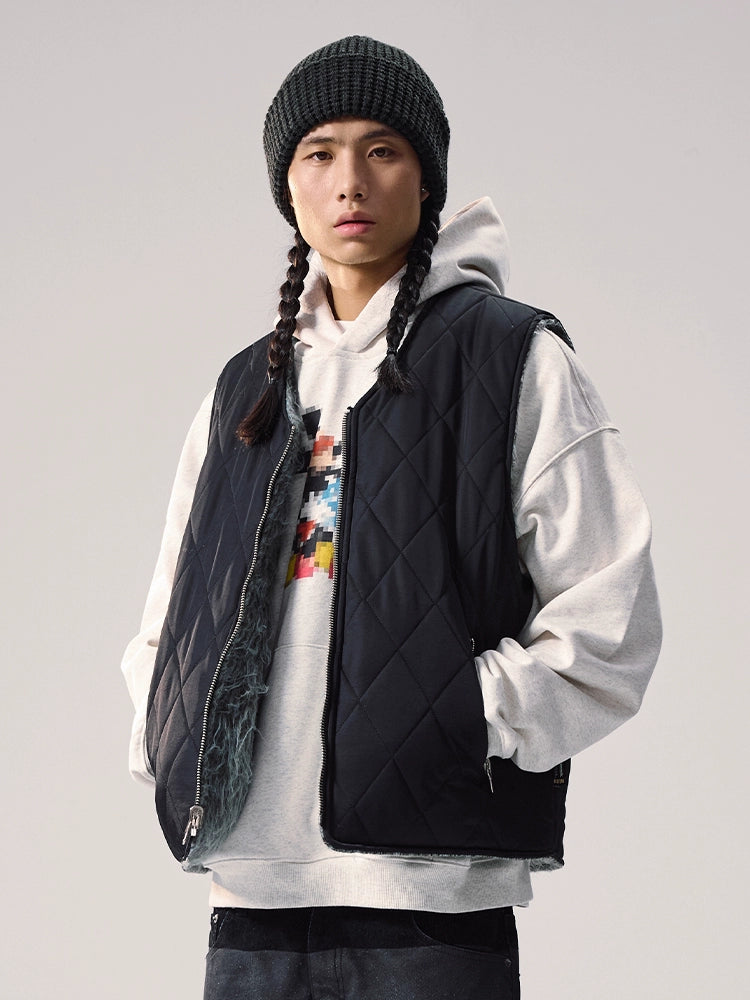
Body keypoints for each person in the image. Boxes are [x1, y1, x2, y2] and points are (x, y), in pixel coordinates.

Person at [122, 35, 662, 1000]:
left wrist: (459, 718)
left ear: (427, 176)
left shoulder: (512, 358)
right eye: (319, 153)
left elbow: (609, 616)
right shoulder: (245, 389)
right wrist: (171, 738)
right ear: (287, 185)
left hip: (430, 903)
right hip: (250, 895)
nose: (350, 181)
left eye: (383, 150)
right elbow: (171, 619)